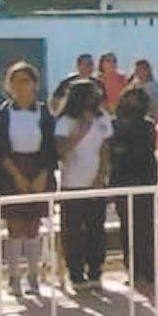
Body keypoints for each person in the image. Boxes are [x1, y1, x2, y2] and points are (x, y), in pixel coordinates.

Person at [0, 62, 56, 298]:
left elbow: (50, 148)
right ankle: (14, 277)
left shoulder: (44, 113)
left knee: (33, 226)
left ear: (35, 84)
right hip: (11, 174)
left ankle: (33, 276)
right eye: (14, 81)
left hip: (38, 171)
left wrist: (42, 175)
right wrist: (17, 176)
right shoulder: (3, 114)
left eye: (25, 80)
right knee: (14, 227)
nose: (20, 86)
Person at [52, 80, 112, 293]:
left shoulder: (102, 118)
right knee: (73, 230)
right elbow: (61, 151)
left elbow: (105, 148)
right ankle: (75, 273)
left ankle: (95, 271)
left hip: (95, 183)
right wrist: (80, 131)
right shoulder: (65, 120)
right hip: (72, 183)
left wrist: (101, 177)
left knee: (96, 228)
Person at [108, 86, 158, 290]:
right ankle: (132, 270)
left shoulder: (147, 125)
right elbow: (113, 150)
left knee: (145, 228)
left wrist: (123, 149)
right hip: (122, 180)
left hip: (144, 180)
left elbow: (143, 150)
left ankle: (148, 271)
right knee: (127, 228)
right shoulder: (114, 124)